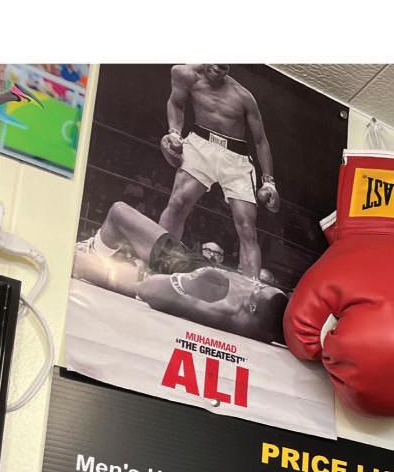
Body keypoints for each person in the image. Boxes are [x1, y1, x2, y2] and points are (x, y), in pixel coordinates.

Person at [73, 201, 287, 344]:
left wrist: (183, 282)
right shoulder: (274, 303)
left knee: (76, 261)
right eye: (260, 284)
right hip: (191, 263)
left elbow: (147, 289)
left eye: (258, 289)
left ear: (251, 308)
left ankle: (91, 256)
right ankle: (95, 250)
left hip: (178, 277)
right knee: (118, 211)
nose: (254, 284)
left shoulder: (222, 308)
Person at [159, 64, 280, 280]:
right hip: (200, 143)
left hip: (236, 157)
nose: (218, 70)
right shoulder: (183, 73)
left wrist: (269, 182)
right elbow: (176, 103)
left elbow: (260, 140)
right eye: (215, 64)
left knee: (246, 227)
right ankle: (158, 268)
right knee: (177, 203)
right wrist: (175, 132)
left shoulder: (243, 97)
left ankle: (248, 291)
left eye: (224, 68)